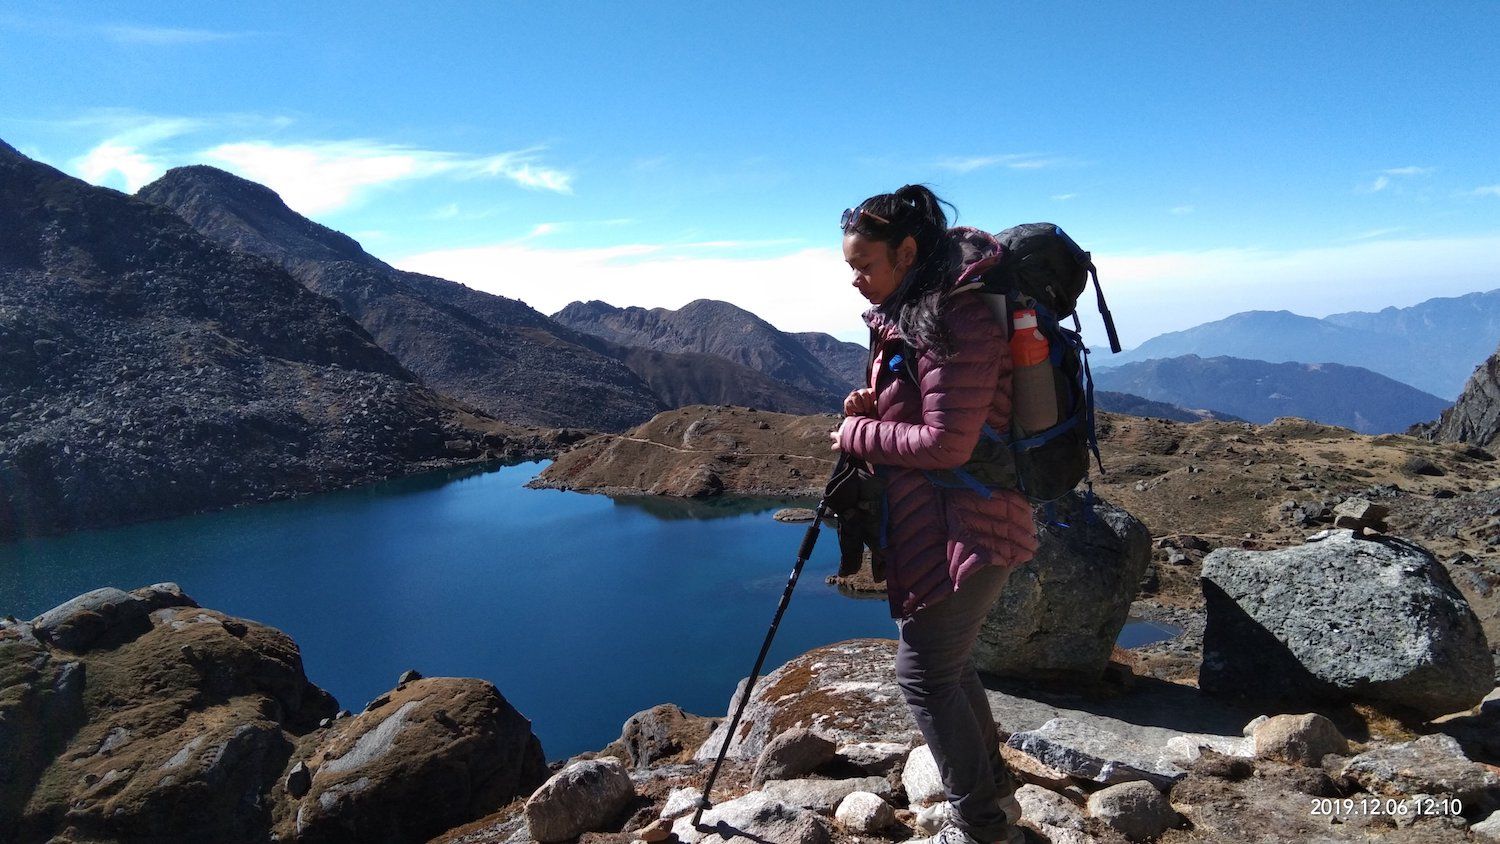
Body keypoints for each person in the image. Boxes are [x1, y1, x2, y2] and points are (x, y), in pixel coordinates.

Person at [830, 185, 1040, 844]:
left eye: (865, 265)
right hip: (944, 525)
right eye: (851, 267)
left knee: (922, 678)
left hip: (972, 527)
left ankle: (981, 824)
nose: (856, 280)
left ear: (909, 251)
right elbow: (930, 415)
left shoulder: (957, 320)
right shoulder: (915, 316)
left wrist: (856, 437)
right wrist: (876, 405)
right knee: (946, 667)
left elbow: (948, 443)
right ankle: (995, 797)